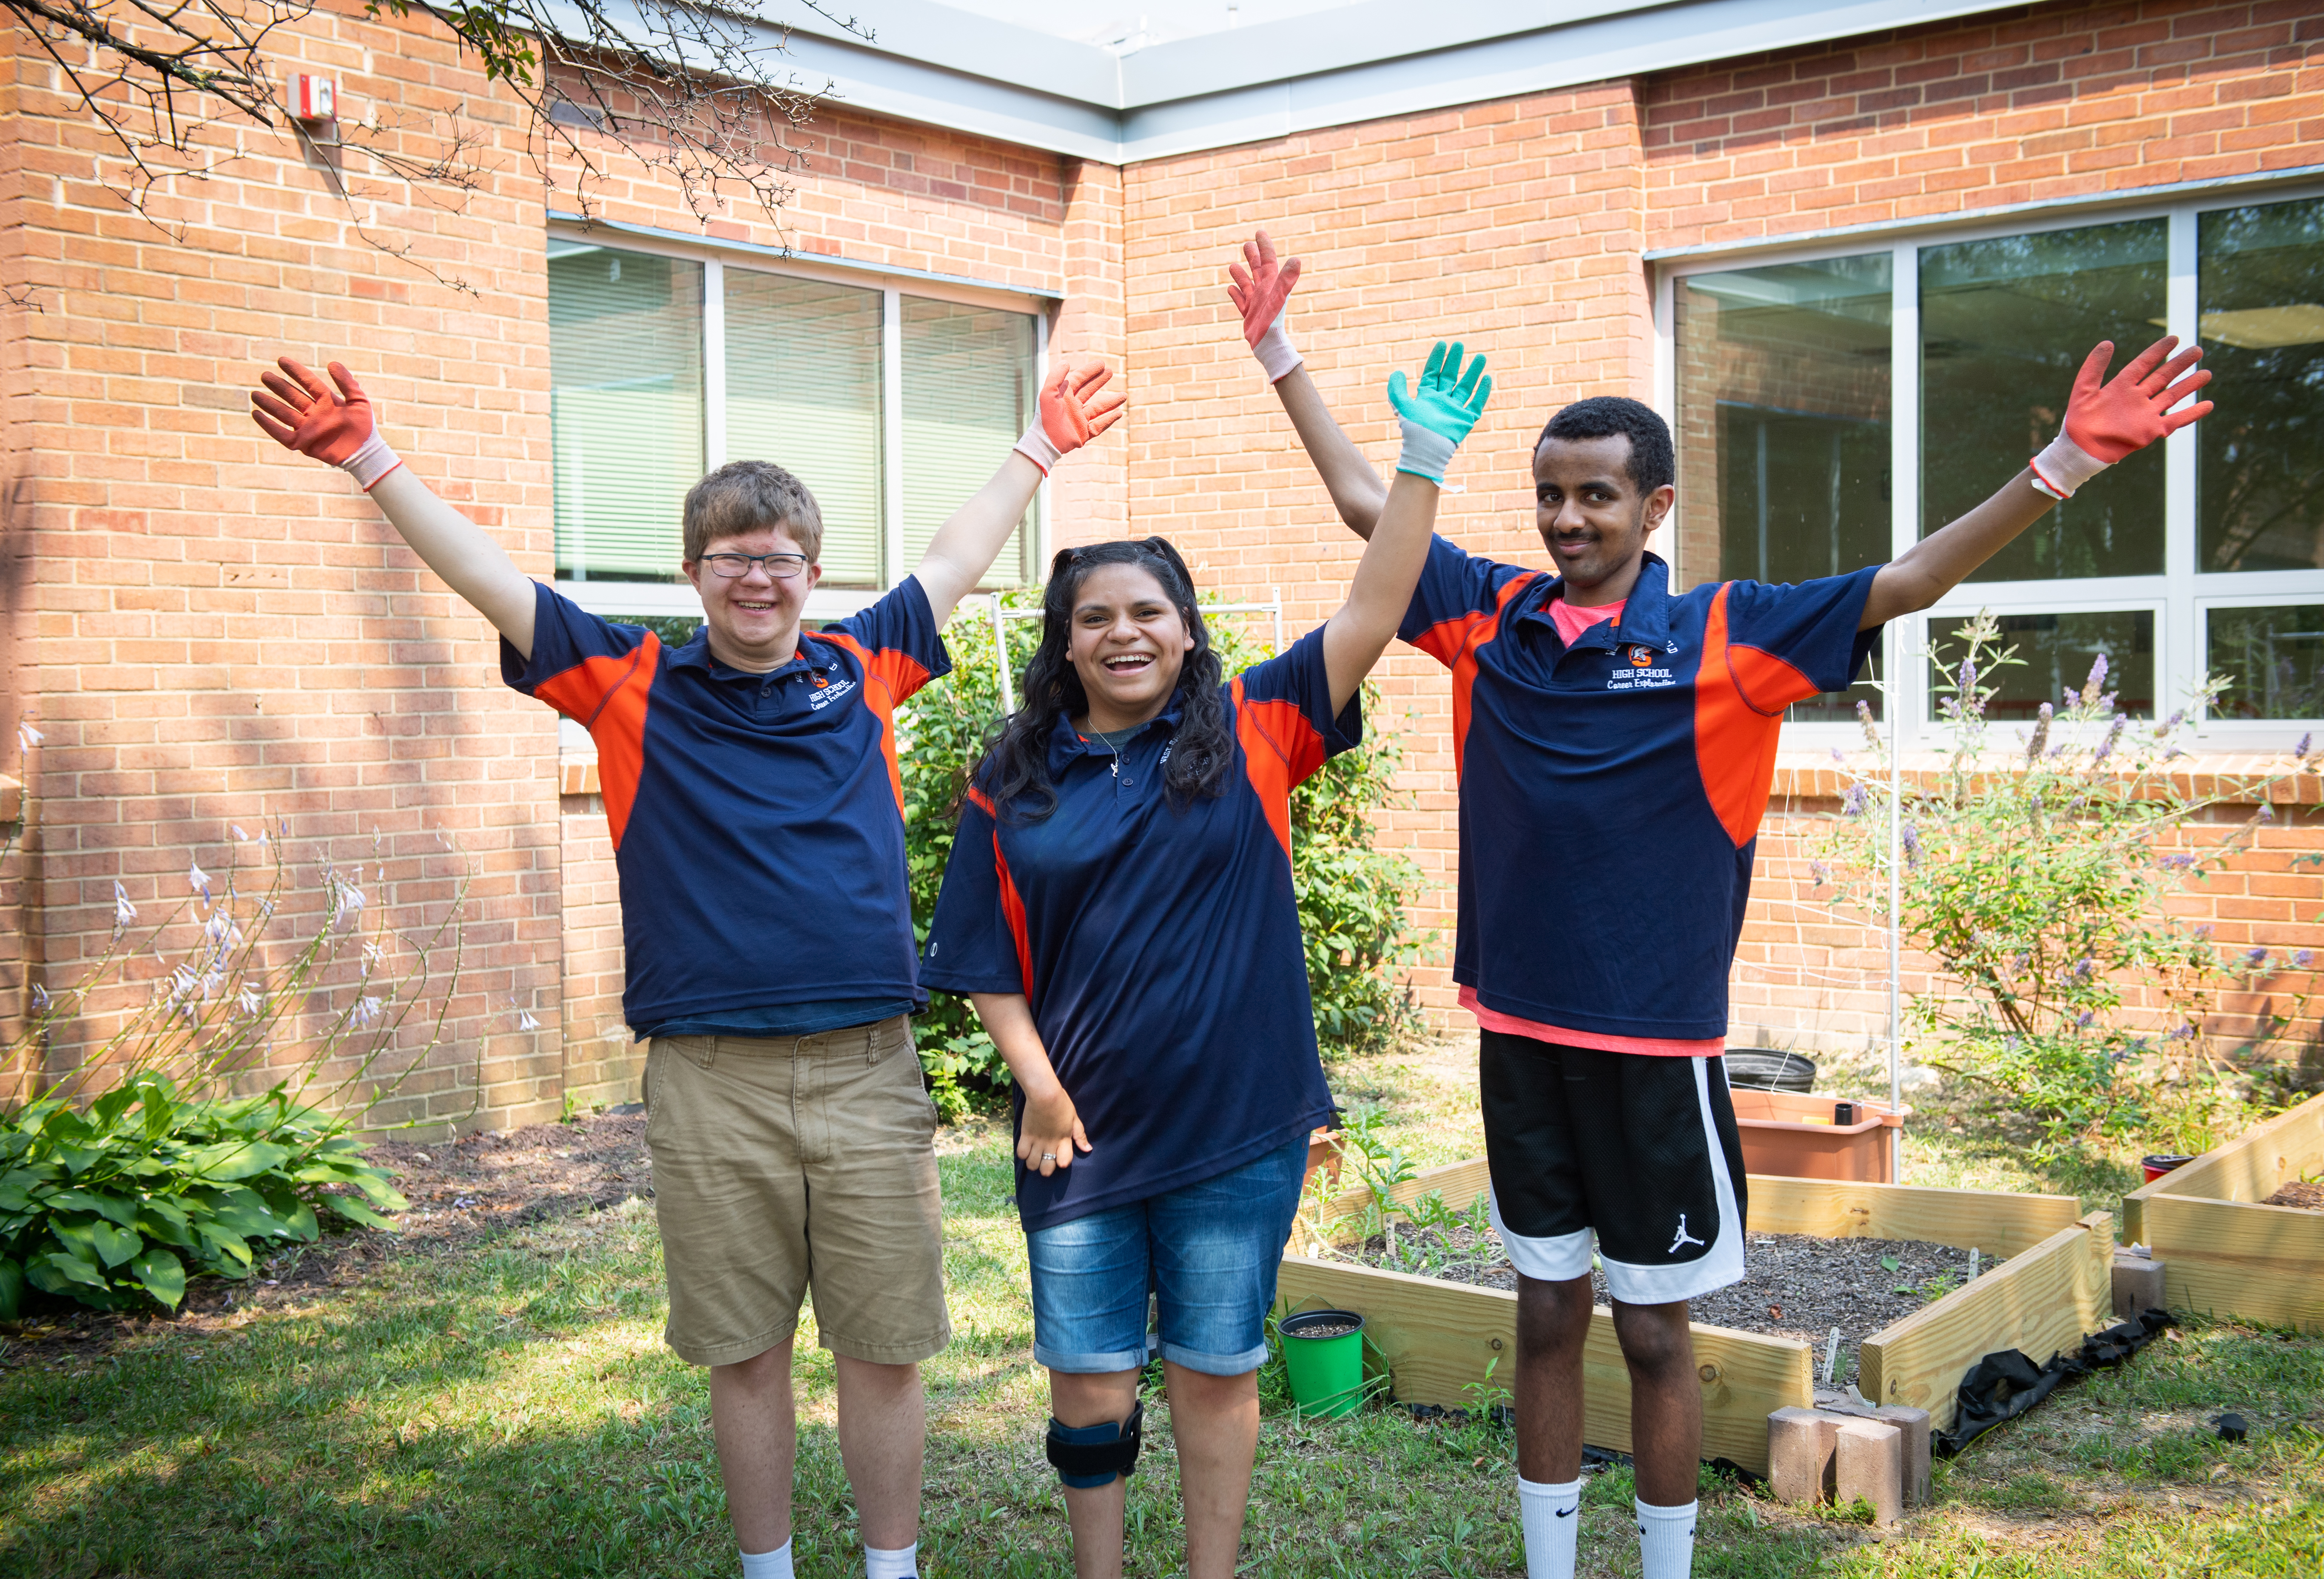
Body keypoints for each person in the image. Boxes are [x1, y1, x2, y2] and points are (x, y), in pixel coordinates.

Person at [1225, 229, 2211, 1579]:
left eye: (1596, 498)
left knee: (1652, 1333)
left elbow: (1909, 581)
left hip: (1655, 1052)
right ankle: (1552, 1565)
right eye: (1549, 496)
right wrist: (1279, 356)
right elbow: (1366, 508)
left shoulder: (1729, 637)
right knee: (1545, 1313)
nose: (1568, 520)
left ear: (1657, 508)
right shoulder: (1486, 613)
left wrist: (2064, 464)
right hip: (1517, 1032)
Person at [249, 351, 1125, 1579]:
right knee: (744, 1349)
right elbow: (492, 579)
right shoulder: (629, 684)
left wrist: (1035, 450)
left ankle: (892, 1568)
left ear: (813, 575)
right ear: (694, 574)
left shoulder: (863, 668)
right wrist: (368, 460)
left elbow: (955, 554)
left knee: (883, 1348)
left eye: (778, 557)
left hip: (869, 1070)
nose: (756, 577)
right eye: (730, 557)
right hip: (710, 1082)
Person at [916, 342, 1493, 1579]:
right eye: (1095, 618)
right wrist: (1040, 1083)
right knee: (1086, 1379)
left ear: (1186, 634)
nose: (1122, 633)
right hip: (1076, 1134)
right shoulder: (1009, 780)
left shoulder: (1256, 729)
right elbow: (981, 960)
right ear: (1064, 645)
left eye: (1146, 613)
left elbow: (1378, 603)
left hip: (1236, 1124)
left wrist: (1421, 465)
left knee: (1216, 1369)